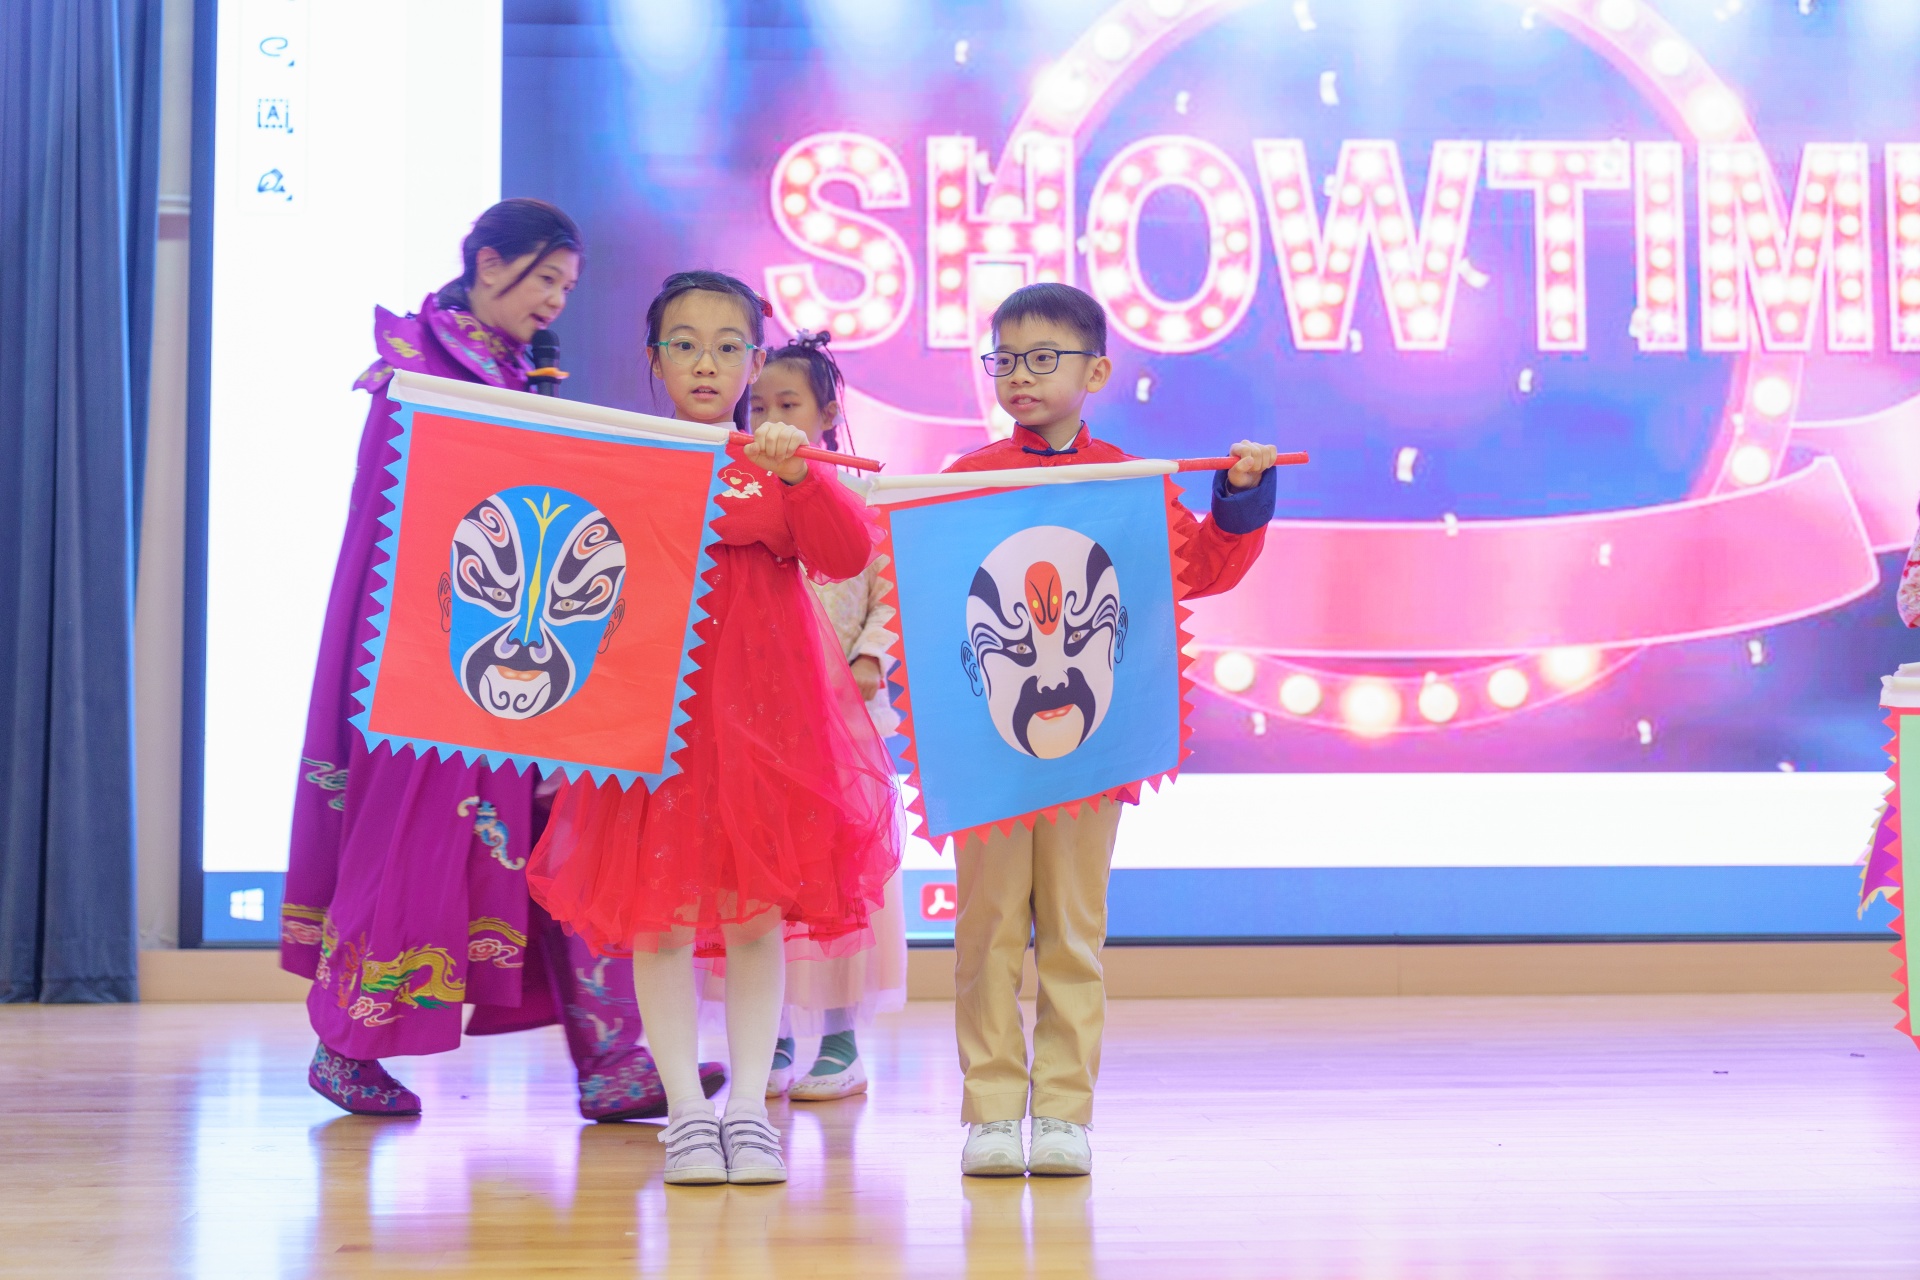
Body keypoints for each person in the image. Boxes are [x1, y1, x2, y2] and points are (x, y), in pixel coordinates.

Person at [282, 200, 723, 1119]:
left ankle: (615, 1059)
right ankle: (347, 1047)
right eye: (546, 278)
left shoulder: (516, 376)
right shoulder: (415, 370)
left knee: (570, 830)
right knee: (414, 843)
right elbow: (401, 526)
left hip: (528, 653)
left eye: (568, 285)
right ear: (488, 263)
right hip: (430, 657)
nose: (557, 301)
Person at [527, 271, 899, 1186]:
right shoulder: (625, 457)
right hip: (651, 728)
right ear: (654, 359)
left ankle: (748, 1114)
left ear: (753, 361)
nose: (707, 363)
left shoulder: (779, 464)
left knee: (755, 919)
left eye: (729, 347)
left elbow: (846, 551)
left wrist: (799, 474)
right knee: (658, 923)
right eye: (685, 345)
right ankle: (687, 1117)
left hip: (767, 733)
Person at [942, 282, 1281, 1178]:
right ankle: (989, 1111)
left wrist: (1240, 495)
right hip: (988, 748)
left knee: (1073, 932)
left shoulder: (1130, 481)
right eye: (1005, 360)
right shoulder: (961, 479)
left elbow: (1201, 568)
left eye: (1042, 359)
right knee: (985, 930)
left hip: (1090, 745)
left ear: (1095, 372)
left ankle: (1062, 1112)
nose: (1020, 377)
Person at [747, 331, 908, 1102]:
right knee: (762, 877)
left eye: (788, 404)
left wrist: (870, 658)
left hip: (845, 716)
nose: (771, 418)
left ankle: (841, 1041)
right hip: (759, 717)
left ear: (828, 412)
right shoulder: (741, 487)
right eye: (759, 405)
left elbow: (892, 587)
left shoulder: (866, 489)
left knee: (840, 879)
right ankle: (771, 1036)